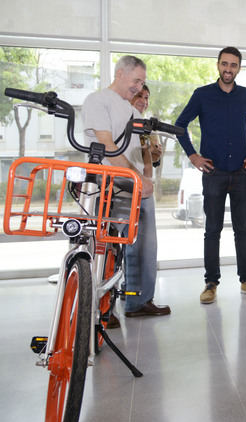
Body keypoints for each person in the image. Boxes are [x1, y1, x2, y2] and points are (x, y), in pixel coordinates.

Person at [175, 46, 246, 304]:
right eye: (225, 64)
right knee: (212, 230)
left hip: (241, 172)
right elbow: (180, 125)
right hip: (213, 172)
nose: (228, 69)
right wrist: (193, 155)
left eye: (234, 65)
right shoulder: (202, 95)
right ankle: (211, 283)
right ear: (218, 65)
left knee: (243, 231)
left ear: (239, 68)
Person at [82, 55, 171, 319]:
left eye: (142, 82)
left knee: (144, 244)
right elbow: (107, 146)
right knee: (107, 245)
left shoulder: (132, 111)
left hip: (134, 184)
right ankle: (100, 310)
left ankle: (138, 301)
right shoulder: (98, 101)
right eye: (136, 80)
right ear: (120, 74)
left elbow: (140, 149)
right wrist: (137, 178)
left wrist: (147, 171)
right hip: (110, 182)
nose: (139, 87)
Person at [130, 84, 163, 169]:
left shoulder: (149, 127)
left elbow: (155, 159)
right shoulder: (122, 121)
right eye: (139, 96)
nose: (144, 101)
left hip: (139, 174)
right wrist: (147, 151)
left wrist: (155, 154)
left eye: (146, 98)